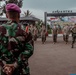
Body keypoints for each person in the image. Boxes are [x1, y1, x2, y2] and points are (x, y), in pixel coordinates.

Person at [0, 3, 34, 75]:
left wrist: (4, 66)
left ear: (6, 15)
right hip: (21, 70)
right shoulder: (25, 30)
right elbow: (29, 50)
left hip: (4, 71)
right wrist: (15, 65)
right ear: (18, 15)